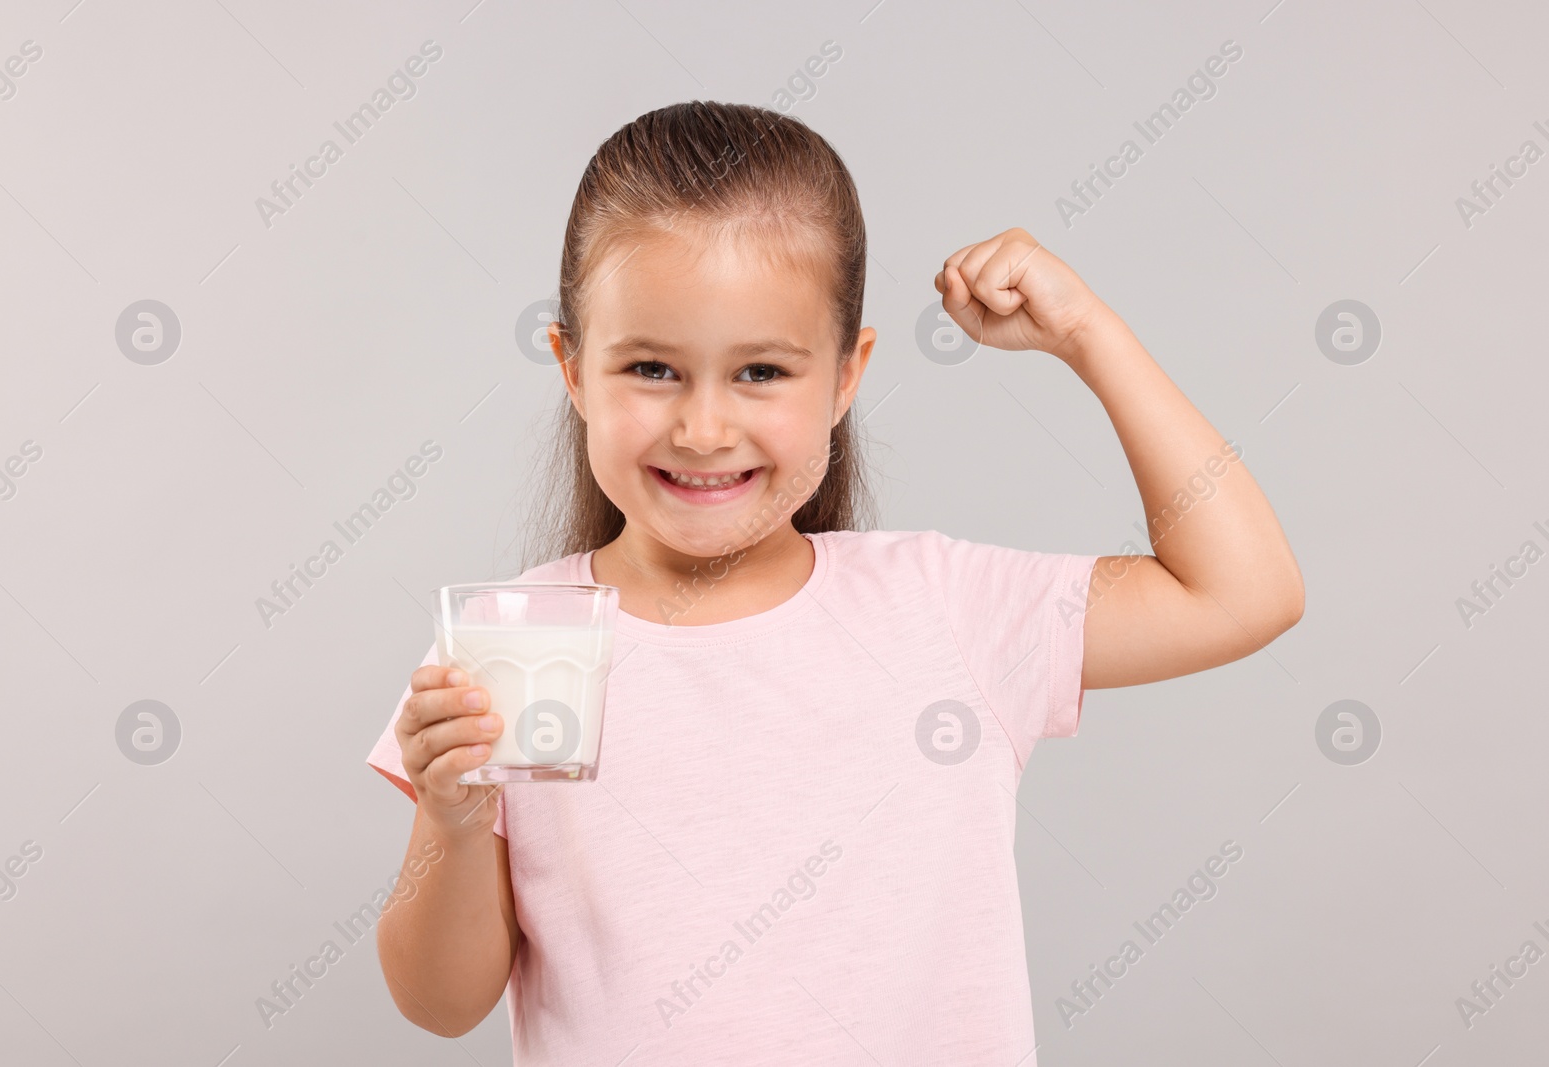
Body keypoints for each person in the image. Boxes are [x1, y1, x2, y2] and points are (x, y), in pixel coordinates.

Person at [364, 99, 1303, 1064]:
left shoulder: (941, 609)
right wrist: (457, 818)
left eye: (762, 371)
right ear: (572, 369)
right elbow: (440, 1002)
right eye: (651, 367)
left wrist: (1088, 335)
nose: (703, 428)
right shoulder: (520, 644)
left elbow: (1244, 591)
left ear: (848, 376)